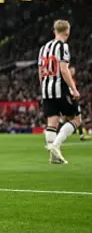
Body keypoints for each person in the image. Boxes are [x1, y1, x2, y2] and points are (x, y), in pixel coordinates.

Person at [40, 20, 81, 164]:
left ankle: (53, 157)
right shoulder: (63, 46)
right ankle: (55, 146)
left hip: (46, 89)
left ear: (54, 31)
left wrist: (43, 88)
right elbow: (64, 69)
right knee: (76, 119)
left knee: (52, 122)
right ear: (67, 32)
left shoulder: (43, 48)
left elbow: (40, 71)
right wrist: (74, 89)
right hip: (60, 89)